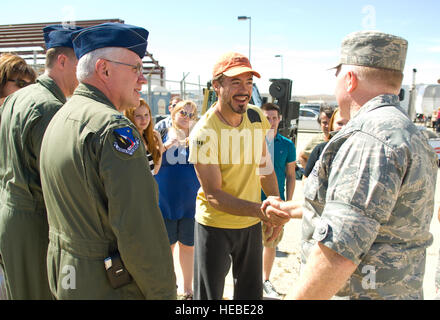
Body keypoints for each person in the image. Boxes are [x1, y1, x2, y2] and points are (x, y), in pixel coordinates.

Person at [263, 31, 438, 300]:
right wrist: (295, 208)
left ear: (350, 80)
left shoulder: (370, 139)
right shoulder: (408, 132)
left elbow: (339, 250)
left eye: (337, 75)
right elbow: (373, 213)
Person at [39, 23, 176, 299]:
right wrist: (164, 294)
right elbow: (139, 232)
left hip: (68, 276)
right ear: (104, 69)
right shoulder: (112, 129)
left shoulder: (62, 116)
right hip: (106, 285)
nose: (143, 79)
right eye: (136, 68)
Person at [188, 52, 290, 300]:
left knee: (250, 297)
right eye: (235, 82)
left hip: (250, 225)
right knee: (209, 298)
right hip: (214, 226)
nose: (244, 90)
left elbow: (265, 169)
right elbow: (214, 195)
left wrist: (274, 206)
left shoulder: (256, 117)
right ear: (216, 85)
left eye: (248, 82)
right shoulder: (204, 132)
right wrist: (261, 211)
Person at [0, 24, 82, 300]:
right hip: (36, 224)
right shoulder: (50, 107)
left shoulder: (18, 98)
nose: (84, 73)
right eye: (80, 62)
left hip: (12, 219)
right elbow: (59, 181)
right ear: (62, 61)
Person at [155, 100, 200, 300]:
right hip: (166, 201)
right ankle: (169, 284)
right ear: (173, 113)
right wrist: (166, 146)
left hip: (190, 201)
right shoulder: (161, 133)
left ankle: (188, 289)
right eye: (183, 112)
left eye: (191, 115)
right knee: (167, 246)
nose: (186, 117)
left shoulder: (198, 138)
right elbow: (150, 160)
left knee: (188, 246)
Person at [260, 102, 296, 299]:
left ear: (280, 119)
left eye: (274, 118)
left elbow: (291, 175)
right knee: (248, 246)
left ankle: (265, 281)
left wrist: (288, 204)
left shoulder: (287, 145)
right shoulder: (252, 143)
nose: (271, 122)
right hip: (252, 203)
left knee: (270, 243)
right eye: (267, 117)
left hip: (275, 205)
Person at [303, 108, 349, 178]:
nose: (344, 127)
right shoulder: (319, 146)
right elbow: (302, 157)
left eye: (348, 123)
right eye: (339, 123)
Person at [124, 98, 164, 175]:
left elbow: (155, 171)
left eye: (146, 115)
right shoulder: (128, 140)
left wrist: (160, 144)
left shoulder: (147, 138)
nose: (144, 119)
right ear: (130, 117)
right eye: (138, 116)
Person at [297, 104, 333, 170]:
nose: (328, 126)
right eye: (324, 123)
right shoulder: (317, 140)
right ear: (320, 123)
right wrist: (310, 174)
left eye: (330, 122)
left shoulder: (340, 139)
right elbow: (302, 157)